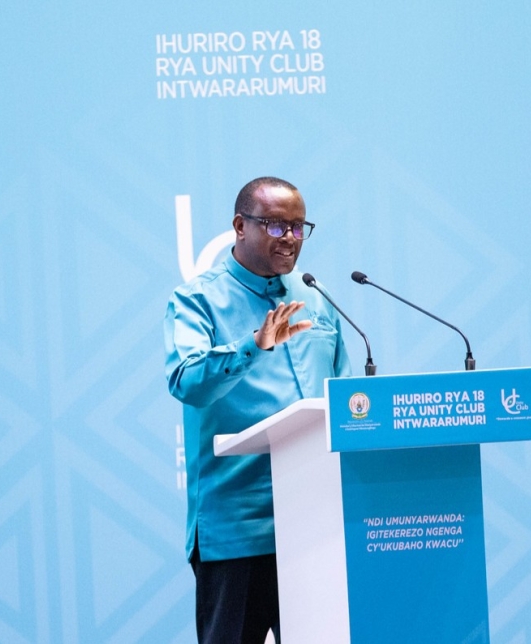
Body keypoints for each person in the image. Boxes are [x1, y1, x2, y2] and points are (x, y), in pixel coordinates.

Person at [164, 177, 351, 644]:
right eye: (274, 226)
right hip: (237, 527)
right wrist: (252, 347)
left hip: (317, 522)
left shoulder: (315, 295)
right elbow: (187, 382)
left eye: (297, 227)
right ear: (239, 226)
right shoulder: (197, 299)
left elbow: (343, 392)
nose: (290, 239)